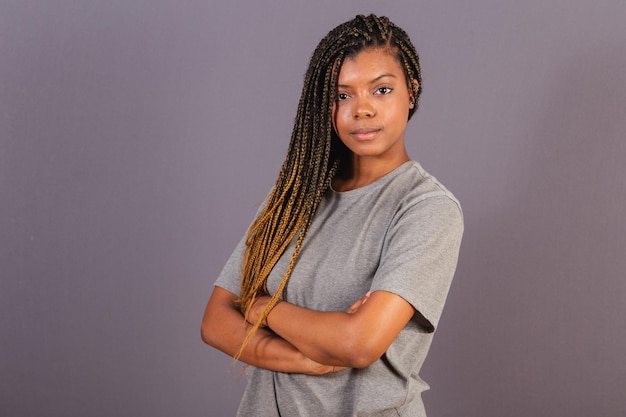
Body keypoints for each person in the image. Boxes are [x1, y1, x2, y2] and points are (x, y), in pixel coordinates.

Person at [202, 13, 464, 417]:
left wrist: (258, 308)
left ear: (411, 92)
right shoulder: (294, 197)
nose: (362, 109)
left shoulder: (426, 208)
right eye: (343, 95)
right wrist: (302, 357)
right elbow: (215, 321)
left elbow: (359, 343)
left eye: (381, 90)